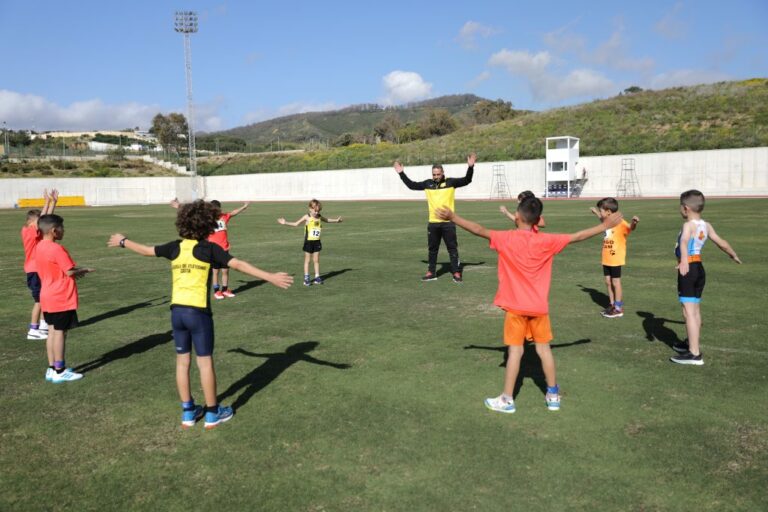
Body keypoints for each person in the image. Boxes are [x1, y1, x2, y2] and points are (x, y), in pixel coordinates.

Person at [108, 199, 292, 429]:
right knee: (204, 363)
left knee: (182, 363)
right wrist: (271, 276)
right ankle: (213, 414)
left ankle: (188, 412)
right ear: (208, 226)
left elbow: (146, 250)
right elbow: (239, 265)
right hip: (198, 314)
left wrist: (123, 241)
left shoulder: (175, 247)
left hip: (177, 313)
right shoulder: (210, 249)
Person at [436, 198, 622, 413]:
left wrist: (453, 217)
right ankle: (553, 395)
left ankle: (507, 399)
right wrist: (604, 226)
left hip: (516, 309)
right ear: (537, 220)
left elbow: (478, 230)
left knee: (515, 352)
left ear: (517, 216)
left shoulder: (506, 238)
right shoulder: (547, 240)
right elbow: (577, 236)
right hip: (539, 308)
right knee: (544, 350)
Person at [670, 190, 741, 365]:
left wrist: (684, 261)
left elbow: (685, 241)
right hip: (699, 270)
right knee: (695, 309)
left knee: (688, 311)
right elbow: (721, 242)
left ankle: (694, 354)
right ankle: (691, 343)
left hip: (689, 269)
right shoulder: (706, 225)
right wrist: (733, 254)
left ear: (685, 208)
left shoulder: (688, 225)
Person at [394, 153, 476, 282]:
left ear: (443, 173)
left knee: (452, 249)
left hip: (448, 222)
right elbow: (411, 185)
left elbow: (467, 180)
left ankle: (456, 272)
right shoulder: (427, 184)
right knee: (432, 250)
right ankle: (431, 272)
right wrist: (401, 173)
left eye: (438, 174)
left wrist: (470, 167)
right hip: (433, 223)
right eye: (434, 174)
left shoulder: (451, 182)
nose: (436, 177)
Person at [35, 214, 93, 383]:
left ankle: (52, 368)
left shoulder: (40, 246)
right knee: (60, 332)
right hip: (60, 296)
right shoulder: (56, 248)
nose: (63, 231)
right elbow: (69, 271)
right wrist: (84, 270)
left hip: (47, 295)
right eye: (62, 228)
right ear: (54, 231)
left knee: (52, 331)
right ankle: (60, 370)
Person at [171, 198, 250, 299]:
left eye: (217, 209)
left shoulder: (224, 217)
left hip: (225, 248)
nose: (216, 210)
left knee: (225, 271)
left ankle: (225, 290)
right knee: (215, 271)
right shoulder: (207, 219)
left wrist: (244, 207)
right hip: (214, 250)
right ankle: (217, 291)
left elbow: (233, 212)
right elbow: (193, 213)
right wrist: (179, 206)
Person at [589, 198, 640, 318]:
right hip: (606, 257)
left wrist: (634, 222)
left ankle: (618, 308)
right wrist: (596, 212)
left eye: (601, 210)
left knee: (616, 282)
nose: (601, 213)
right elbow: (601, 219)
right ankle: (611, 304)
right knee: (607, 282)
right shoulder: (607, 221)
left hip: (616, 257)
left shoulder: (620, 222)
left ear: (608, 212)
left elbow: (630, 228)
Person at [278, 199, 343, 286]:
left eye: (318, 211)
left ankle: (317, 277)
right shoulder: (307, 217)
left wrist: (336, 221)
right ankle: (306, 278)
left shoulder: (319, 216)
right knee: (307, 260)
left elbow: (327, 220)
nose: (316, 212)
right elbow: (296, 224)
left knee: (316, 260)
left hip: (317, 242)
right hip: (308, 242)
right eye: (315, 210)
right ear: (310, 208)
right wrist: (285, 222)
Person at [21, 189, 58, 340]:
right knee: (39, 301)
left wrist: (53, 203)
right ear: (31, 222)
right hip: (34, 270)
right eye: (38, 222)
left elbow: (46, 220)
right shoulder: (28, 231)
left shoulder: (37, 233)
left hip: (41, 269)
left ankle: (43, 326)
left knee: (45, 298)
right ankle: (33, 329)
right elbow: (41, 219)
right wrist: (47, 202)